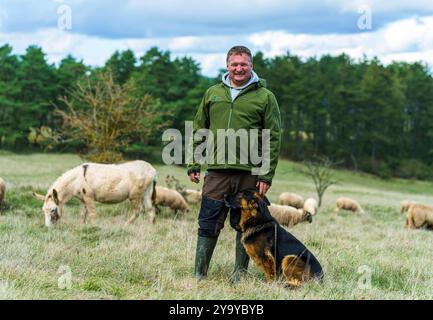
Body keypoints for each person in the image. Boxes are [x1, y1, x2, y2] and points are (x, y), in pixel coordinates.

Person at [187, 45, 281, 282]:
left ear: (251, 66)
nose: (239, 68)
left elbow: (273, 136)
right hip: (217, 172)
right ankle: (199, 274)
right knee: (208, 222)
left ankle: (238, 275)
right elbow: (200, 128)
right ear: (227, 65)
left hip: (249, 174)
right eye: (234, 64)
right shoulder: (212, 93)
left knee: (245, 225)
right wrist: (194, 162)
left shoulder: (265, 97)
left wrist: (265, 175)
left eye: (244, 64)